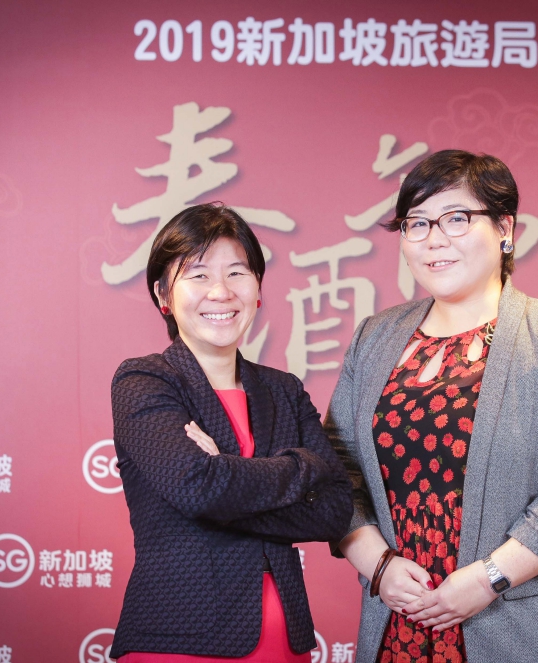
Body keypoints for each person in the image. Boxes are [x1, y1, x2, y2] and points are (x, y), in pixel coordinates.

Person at [326, 150, 538, 663]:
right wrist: (377, 564)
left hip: (518, 623)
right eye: (417, 223)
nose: (434, 239)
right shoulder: (375, 337)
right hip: (400, 622)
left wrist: (490, 578)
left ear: (505, 228)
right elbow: (333, 469)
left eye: (456, 218)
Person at [109, 203, 354, 661]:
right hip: (179, 640)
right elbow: (198, 489)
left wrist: (224, 475)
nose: (221, 291)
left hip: (286, 644)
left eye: (237, 273)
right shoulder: (145, 381)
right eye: (198, 275)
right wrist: (304, 467)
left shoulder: (283, 390)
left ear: (258, 289)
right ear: (163, 295)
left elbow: (334, 511)